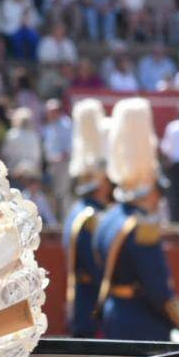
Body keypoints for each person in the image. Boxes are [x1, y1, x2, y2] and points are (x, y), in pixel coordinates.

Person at [94, 98, 179, 343]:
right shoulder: (142, 228)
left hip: (116, 318)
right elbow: (159, 292)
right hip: (142, 328)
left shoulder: (108, 218)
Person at [63, 98, 110, 338]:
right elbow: (100, 271)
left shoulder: (78, 211)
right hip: (92, 309)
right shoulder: (92, 218)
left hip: (82, 304)